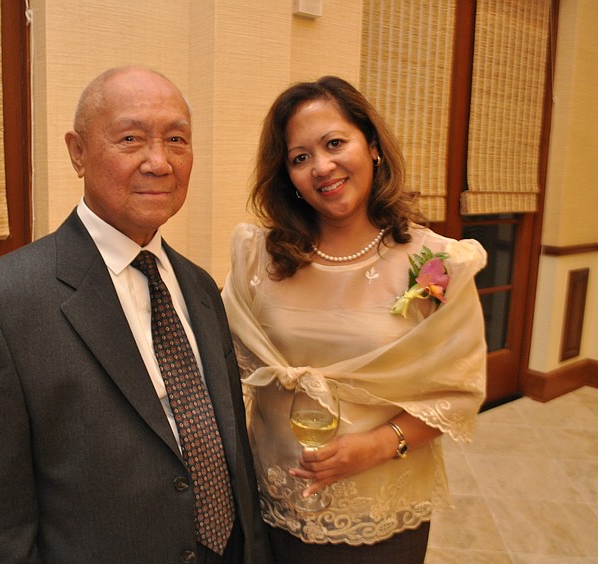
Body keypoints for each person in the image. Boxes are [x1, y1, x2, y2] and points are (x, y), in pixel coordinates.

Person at [0, 66, 271, 564]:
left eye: (176, 139)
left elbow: (231, 458)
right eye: (131, 138)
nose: (159, 162)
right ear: (77, 152)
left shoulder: (200, 286)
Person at [221, 76, 487, 563]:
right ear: (287, 176)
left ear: (373, 145)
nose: (322, 167)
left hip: (381, 509)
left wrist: (380, 444)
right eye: (300, 158)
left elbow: (457, 391)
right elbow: (225, 366)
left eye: (334, 143)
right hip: (275, 503)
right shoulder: (258, 257)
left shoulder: (435, 264)